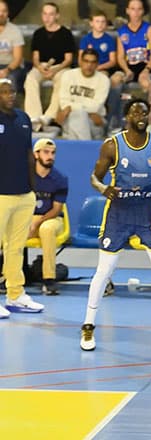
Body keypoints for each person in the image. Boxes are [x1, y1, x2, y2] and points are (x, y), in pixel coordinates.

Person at [79, 98, 151, 351]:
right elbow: (94, 177)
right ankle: (88, 325)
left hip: (146, 211)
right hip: (119, 212)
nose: (141, 116)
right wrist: (103, 189)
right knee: (104, 271)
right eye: (136, 112)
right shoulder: (112, 145)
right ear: (127, 117)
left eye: (145, 112)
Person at [0, 78, 43, 319]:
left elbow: (29, 154)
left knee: (16, 248)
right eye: (4, 92)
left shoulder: (23, 119)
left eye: (12, 91)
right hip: (1, 196)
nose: (10, 95)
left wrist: (33, 189)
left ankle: (15, 294)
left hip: (24, 195)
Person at [107, 0, 151, 130]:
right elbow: (120, 57)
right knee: (114, 81)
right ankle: (113, 119)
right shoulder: (122, 31)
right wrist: (126, 70)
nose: (136, 12)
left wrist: (146, 70)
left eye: (139, 9)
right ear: (127, 11)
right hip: (128, 66)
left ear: (143, 11)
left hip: (145, 66)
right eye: (133, 9)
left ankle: (150, 121)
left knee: (146, 83)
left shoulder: (149, 29)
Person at [25, 2, 75, 132]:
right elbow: (35, 58)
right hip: (42, 66)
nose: (47, 17)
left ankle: (48, 117)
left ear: (57, 16)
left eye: (51, 14)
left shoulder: (65, 33)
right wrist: (40, 68)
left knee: (64, 80)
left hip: (60, 67)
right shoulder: (38, 33)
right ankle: (34, 118)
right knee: (30, 79)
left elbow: (68, 59)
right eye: (45, 14)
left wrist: (55, 70)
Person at [29, 138, 68, 296]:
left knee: (46, 229)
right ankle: (7, 277)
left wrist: (37, 223)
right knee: (8, 227)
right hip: (28, 217)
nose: (50, 156)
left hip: (52, 219)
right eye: (46, 152)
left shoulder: (60, 179)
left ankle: (49, 279)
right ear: (36, 154)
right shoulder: (24, 177)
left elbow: (56, 209)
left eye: (53, 153)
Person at [56, 48, 110, 140]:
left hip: (94, 122)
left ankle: (77, 145)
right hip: (73, 118)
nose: (89, 65)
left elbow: (96, 107)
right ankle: (85, 144)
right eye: (86, 61)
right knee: (77, 116)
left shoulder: (103, 80)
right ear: (80, 62)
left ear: (97, 64)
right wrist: (84, 110)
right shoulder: (68, 75)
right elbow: (64, 102)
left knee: (78, 117)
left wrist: (71, 107)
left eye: (93, 62)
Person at [78, 10, 117, 76]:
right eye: (97, 21)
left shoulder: (109, 40)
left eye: (103, 22)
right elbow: (80, 59)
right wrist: (87, 68)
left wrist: (98, 67)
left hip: (103, 69)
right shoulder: (85, 39)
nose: (100, 24)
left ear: (106, 23)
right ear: (91, 23)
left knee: (101, 76)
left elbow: (112, 61)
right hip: (87, 68)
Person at [0, 0, 25, 90]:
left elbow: (17, 59)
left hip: (11, 66)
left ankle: (11, 99)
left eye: (4, 11)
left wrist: (6, 70)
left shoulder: (15, 31)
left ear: (8, 13)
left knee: (10, 78)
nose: (1, 14)